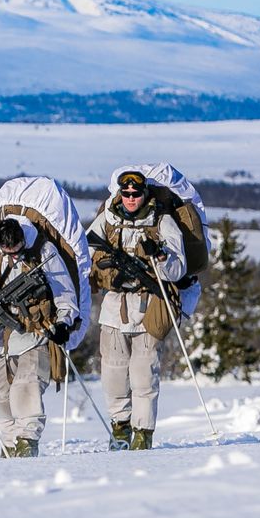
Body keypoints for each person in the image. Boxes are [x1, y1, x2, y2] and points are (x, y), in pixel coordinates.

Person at [87, 169, 186, 449]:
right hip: (114, 306)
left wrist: (161, 258)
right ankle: (120, 428)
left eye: (136, 193)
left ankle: (143, 434)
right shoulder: (107, 219)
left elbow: (179, 267)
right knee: (113, 371)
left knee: (144, 372)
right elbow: (86, 251)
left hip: (149, 305)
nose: (131, 198)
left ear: (144, 194)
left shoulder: (162, 221)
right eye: (126, 193)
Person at [0, 213, 79, 457]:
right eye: (8, 252)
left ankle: (27, 442)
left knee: (27, 387)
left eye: (17, 251)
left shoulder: (43, 251)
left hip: (35, 334)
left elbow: (63, 290)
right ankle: (10, 444)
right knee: (1, 397)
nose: (13, 256)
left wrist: (64, 322)